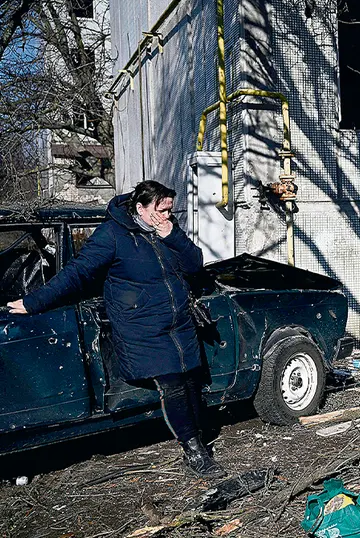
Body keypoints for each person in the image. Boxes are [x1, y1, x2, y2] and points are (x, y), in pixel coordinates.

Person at [6, 180, 225, 478]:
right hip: (143, 329)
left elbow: (194, 263)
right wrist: (34, 302)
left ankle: (197, 434)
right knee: (173, 383)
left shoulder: (166, 230)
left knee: (190, 382)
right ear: (140, 208)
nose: (167, 215)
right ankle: (194, 451)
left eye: (170, 211)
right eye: (161, 210)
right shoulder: (112, 234)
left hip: (178, 325)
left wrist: (173, 235)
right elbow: (78, 272)